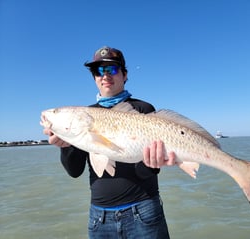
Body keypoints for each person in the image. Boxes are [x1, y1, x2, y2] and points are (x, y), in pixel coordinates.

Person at [42, 46, 176, 239]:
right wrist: (66, 146)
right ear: (95, 78)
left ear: (125, 75)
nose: (105, 75)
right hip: (100, 218)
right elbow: (74, 171)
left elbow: (144, 171)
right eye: (99, 71)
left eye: (112, 69)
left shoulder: (142, 109)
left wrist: (152, 164)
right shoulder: (84, 116)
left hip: (144, 211)